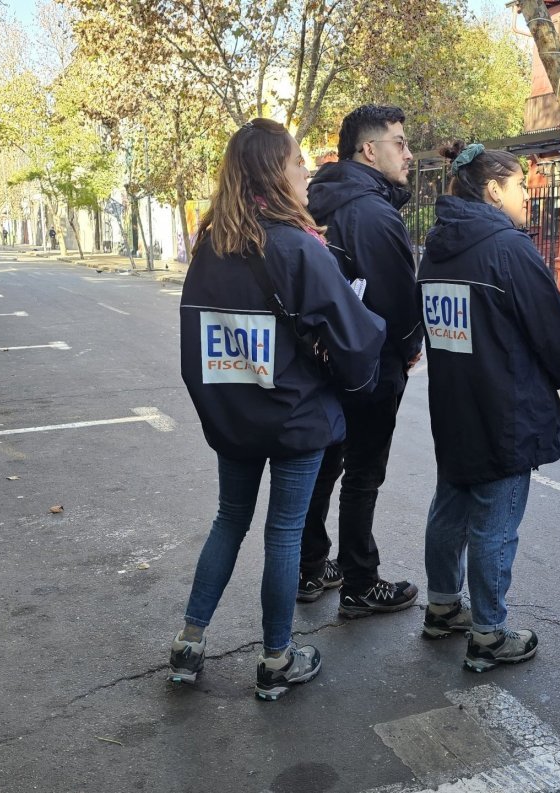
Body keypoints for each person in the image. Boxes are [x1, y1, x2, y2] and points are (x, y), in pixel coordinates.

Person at [170, 119, 386, 701]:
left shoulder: (210, 247)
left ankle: (189, 643)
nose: (306, 171)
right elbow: (355, 333)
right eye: (296, 162)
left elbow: (196, 346)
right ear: (273, 172)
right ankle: (276, 658)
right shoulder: (298, 247)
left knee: (229, 520)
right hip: (296, 417)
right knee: (284, 534)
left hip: (234, 418)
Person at [417, 141, 560, 671]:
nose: (527, 197)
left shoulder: (437, 246)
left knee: (450, 508)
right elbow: (556, 334)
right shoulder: (508, 248)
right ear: (493, 190)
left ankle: (443, 606)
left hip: (454, 404)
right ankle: (488, 633)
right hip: (505, 410)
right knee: (494, 524)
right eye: (519, 187)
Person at [297, 105, 426, 618]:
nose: (409, 154)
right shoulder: (371, 213)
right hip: (370, 363)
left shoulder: (317, 202)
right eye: (400, 142)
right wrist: (410, 346)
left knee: (325, 466)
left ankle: (311, 567)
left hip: (322, 360)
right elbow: (397, 299)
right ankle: (360, 582)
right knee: (363, 473)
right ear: (370, 150)